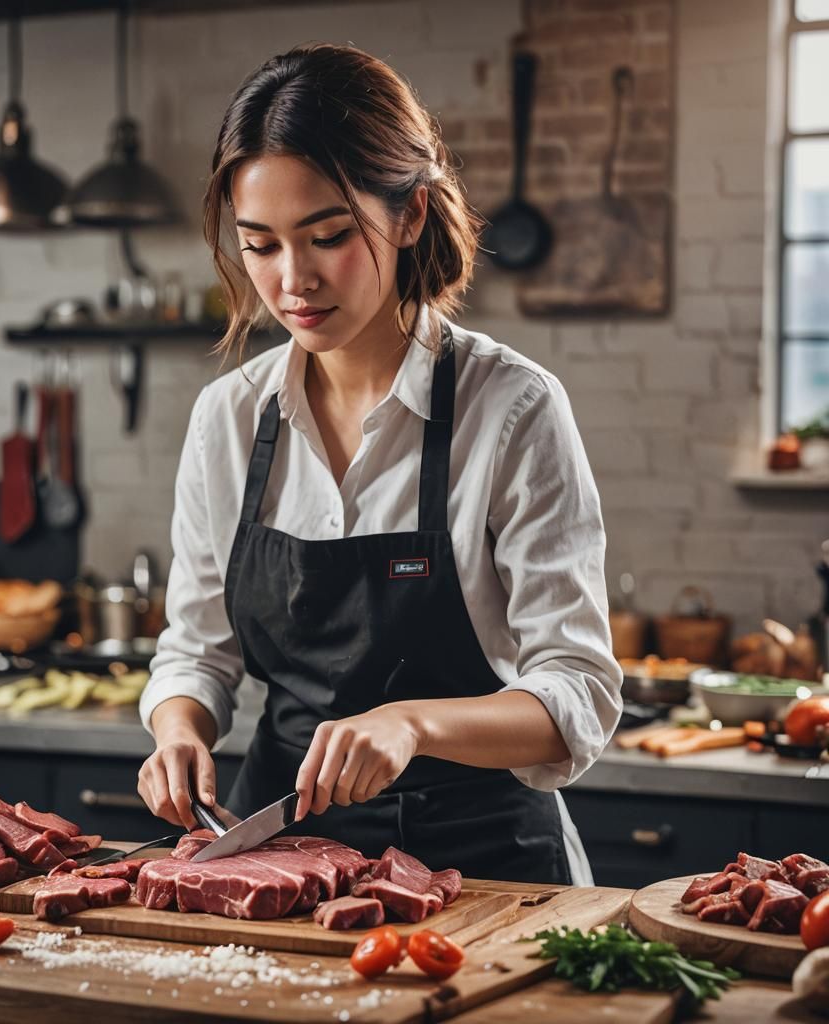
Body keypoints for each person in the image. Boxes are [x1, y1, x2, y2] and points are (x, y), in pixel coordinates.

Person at [137, 43, 621, 885]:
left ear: (411, 215)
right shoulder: (229, 418)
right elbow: (197, 649)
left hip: (489, 865)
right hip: (275, 857)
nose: (293, 281)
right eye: (260, 246)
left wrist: (413, 725)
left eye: (327, 236)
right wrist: (178, 730)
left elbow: (577, 689)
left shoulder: (512, 409)